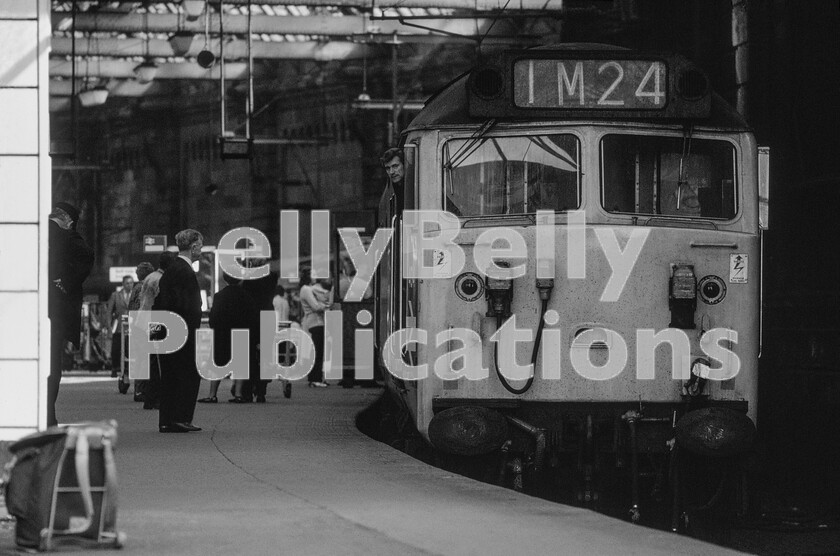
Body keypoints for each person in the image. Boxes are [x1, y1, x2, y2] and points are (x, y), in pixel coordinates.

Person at [48, 202, 94, 427]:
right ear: (67, 219)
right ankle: (48, 416)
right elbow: (86, 256)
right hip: (56, 312)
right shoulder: (68, 237)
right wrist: (63, 283)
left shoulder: (33, 230)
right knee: (52, 366)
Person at [153, 229, 204, 433]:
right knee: (185, 373)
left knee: (170, 375)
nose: (201, 249)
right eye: (200, 245)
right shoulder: (184, 270)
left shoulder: (173, 268)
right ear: (193, 247)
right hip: (181, 330)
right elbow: (186, 305)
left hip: (168, 328)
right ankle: (180, 417)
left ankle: (167, 419)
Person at [199, 272, 259, 404]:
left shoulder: (219, 296)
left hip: (222, 334)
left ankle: (212, 395)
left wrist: (214, 328)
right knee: (240, 365)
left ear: (226, 280)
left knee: (217, 364)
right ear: (240, 280)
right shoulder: (247, 296)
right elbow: (253, 317)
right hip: (242, 333)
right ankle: (238, 394)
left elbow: (214, 316)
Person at [136, 251, 175, 410]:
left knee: (151, 362)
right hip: (156, 321)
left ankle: (149, 398)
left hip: (143, 320)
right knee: (158, 362)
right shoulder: (161, 280)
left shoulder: (150, 277)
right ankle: (155, 398)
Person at [299, 269, 332, 388]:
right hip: (315, 323)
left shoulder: (308, 289)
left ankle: (317, 377)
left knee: (318, 351)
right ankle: (315, 378)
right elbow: (316, 306)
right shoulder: (306, 289)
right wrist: (327, 306)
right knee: (317, 352)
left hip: (316, 322)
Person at [107, 274, 134, 378]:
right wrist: (109, 327)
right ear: (123, 284)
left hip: (132, 325)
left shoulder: (136, 295)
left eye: (131, 283)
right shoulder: (116, 295)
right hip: (119, 326)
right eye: (127, 283)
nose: (129, 285)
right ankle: (114, 368)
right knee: (116, 348)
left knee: (129, 348)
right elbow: (109, 311)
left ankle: (128, 369)